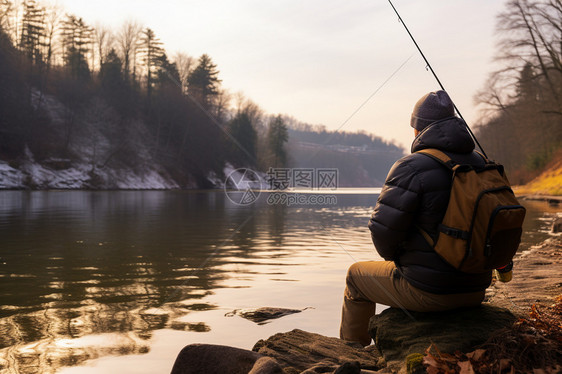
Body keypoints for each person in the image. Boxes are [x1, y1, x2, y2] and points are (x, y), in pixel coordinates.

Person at [339, 90, 492, 346]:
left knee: (355, 276)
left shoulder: (411, 166)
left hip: (431, 292)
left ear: (418, 128)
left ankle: (351, 353)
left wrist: (403, 260)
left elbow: (382, 234)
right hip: (477, 288)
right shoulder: (482, 164)